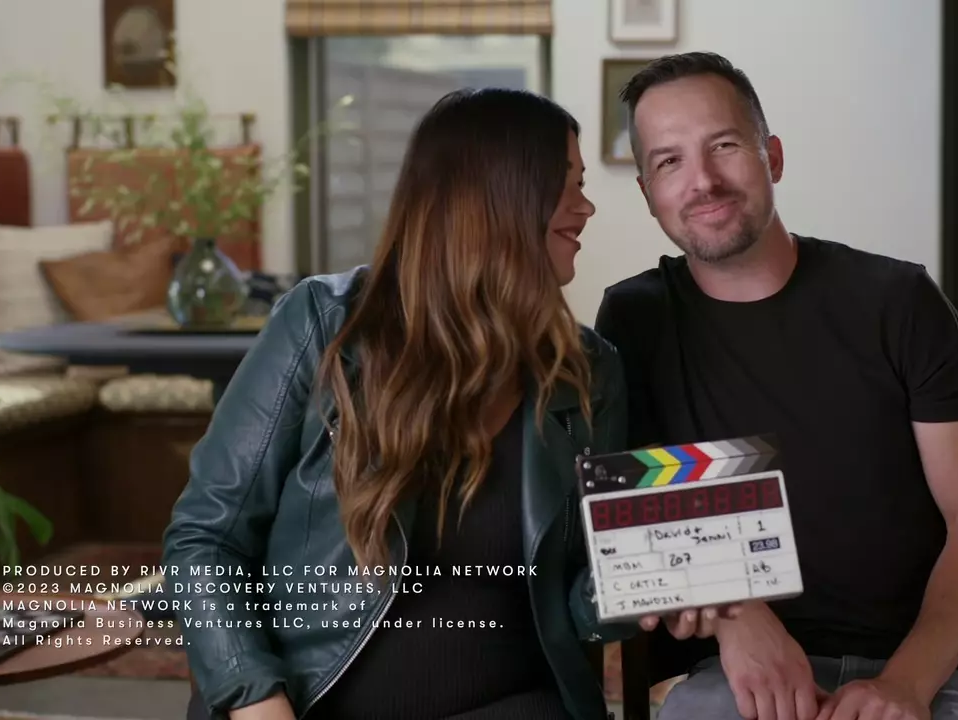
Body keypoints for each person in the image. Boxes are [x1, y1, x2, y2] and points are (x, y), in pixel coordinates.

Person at [162, 87, 636, 720]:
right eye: (567, 184)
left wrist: (643, 589)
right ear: (498, 195)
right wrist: (255, 699)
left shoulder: (590, 370)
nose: (586, 207)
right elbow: (206, 539)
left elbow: (577, 600)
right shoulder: (324, 325)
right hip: (311, 706)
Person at [594, 52, 958, 720]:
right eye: (669, 161)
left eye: (724, 146)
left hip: (922, 668)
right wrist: (737, 614)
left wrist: (906, 684)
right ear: (649, 194)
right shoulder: (635, 319)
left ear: (773, 157)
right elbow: (634, 511)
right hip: (731, 674)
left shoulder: (898, 301)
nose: (703, 181)